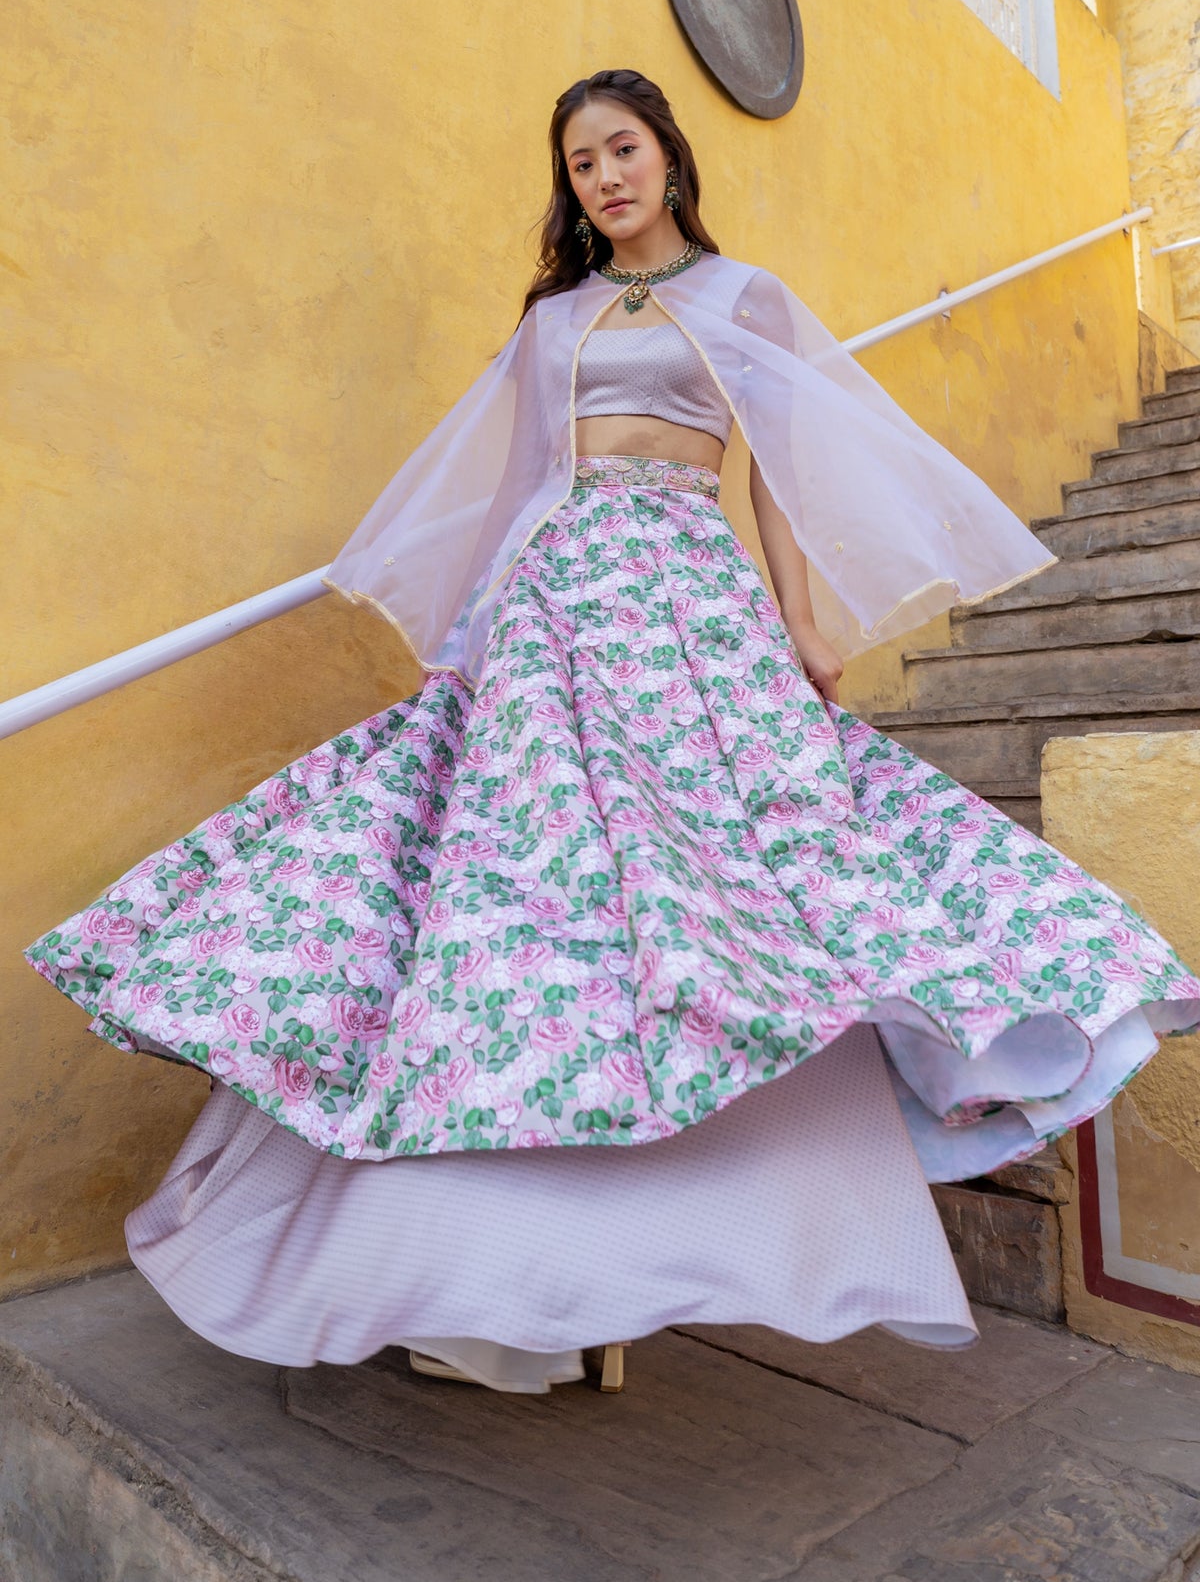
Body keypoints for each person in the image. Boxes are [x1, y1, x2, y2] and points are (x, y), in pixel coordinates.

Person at [27, 70, 1200, 1395]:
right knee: (540, 884)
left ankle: (715, 1188)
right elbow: (529, 480)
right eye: (580, 162)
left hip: (691, 589)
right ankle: (501, 1265)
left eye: (622, 149)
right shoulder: (556, 321)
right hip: (560, 592)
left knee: (739, 869)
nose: (604, 177)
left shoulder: (745, 297)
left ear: (669, 158)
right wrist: (476, 628)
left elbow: (783, 477)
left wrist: (805, 633)